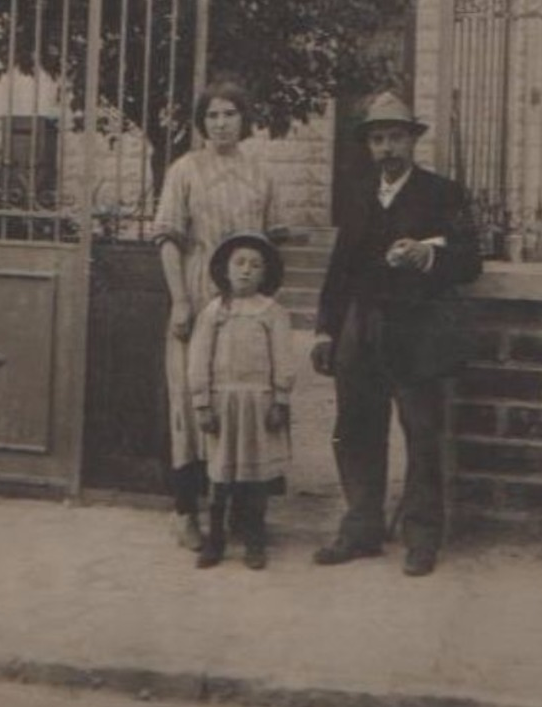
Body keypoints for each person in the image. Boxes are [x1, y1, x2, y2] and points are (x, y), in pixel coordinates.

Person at [311, 90, 482, 577]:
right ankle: (361, 527)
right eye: (378, 139)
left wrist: (429, 256)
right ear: (368, 146)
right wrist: (326, 330)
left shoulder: (441, 193)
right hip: (360, 325)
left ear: (413, 141)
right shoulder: (357, 194)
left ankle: (422, 536)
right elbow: (339, 270)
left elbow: (470, 260)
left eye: (396, 138)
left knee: (421, 431)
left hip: (417, 327)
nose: (387, 148)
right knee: (355, 428)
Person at [152, 78, 283, 551]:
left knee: (246, 400)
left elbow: (272, 240)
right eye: (212, 115)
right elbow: (168, 237)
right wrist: (181, 300)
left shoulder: (261, 173)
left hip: (248, 305)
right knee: (192, 403)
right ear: (201, 122)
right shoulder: (185, 170)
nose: (222, 123)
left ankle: (249, 518)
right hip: (198, 295)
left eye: (230, 114)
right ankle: (187, 511)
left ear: (244, 120)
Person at [188, 232, 296, 570]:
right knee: (220, 477)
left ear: (265, 274)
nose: (246, 271)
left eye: (255, 265)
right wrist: (203, 402)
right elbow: (198, 358)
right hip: (223, 404)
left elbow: (283, 358)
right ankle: (215, 540)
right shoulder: (214, 312)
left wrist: (279, 399)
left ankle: (254, 540)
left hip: (259, 405)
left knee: (256, 478)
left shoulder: (272, 312)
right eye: (239, 263)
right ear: (225, 269)